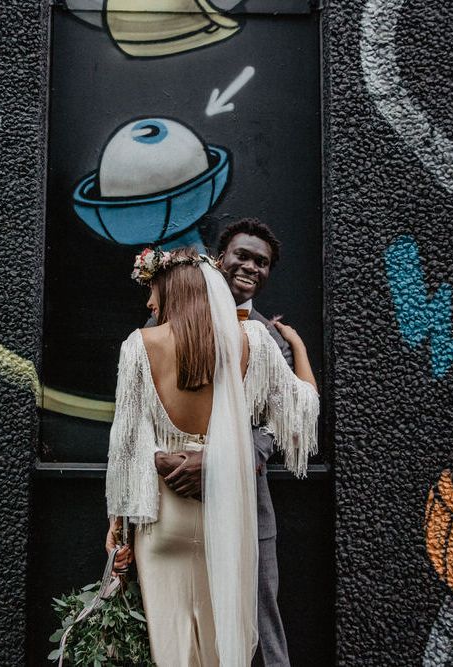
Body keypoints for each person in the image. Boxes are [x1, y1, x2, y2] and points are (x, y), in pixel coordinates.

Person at [104, 247, 318, 667]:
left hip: (163, 518)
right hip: (227, 518)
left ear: (175, 291)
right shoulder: (252, 342)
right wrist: (299, 348)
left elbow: (127, 447)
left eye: (154, 291)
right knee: (222, 650)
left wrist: (116, 527)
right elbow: (303, 411)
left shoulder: (139, 346)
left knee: (173, 652)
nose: (150, 303)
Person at [156, 218, 303, 667]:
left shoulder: (274, 340)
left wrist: (223, 460)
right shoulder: (165, 321)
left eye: (262, 262)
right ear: (221, 259)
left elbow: (283, 422)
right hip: (174, 496)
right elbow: (146, 404)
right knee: (179, 620)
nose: (251, 267)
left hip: (246, 501)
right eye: (243, 255)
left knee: (260, 618)